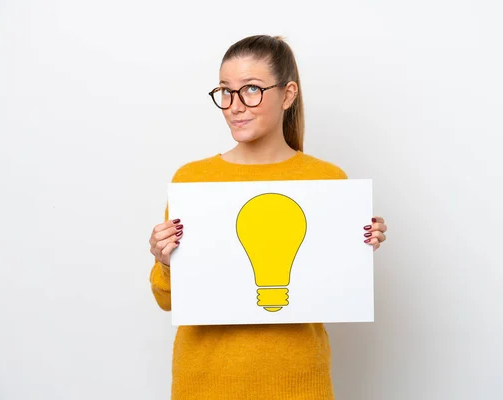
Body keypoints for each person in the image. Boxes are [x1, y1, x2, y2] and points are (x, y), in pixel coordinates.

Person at [148, 34, 388, 400]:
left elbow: (331, 285)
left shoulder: (327, 182)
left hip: (298, 381)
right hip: (205, 382)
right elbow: (167, 301)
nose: (235, 106)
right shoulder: (192, 181)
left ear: (288, 95)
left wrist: (355, 248)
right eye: (226, 91)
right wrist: (165, 260)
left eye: (252, 90)